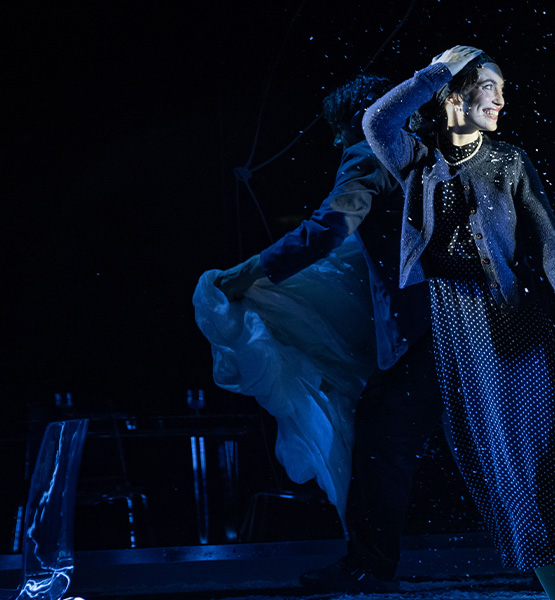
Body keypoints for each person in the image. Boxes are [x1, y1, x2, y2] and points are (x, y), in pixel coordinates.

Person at [361, 46, 555, 600]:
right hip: (456, 334)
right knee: (503, 470)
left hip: (514, 328)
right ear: (454, 94)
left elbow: (552, 250)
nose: (500, 100)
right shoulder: (417, 158)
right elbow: (377, 120)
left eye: (502, 89)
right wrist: (436, 71)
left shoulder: (508, 162)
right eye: (489, 86)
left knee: (548, 463)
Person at [204, 73, 443, 593]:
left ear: (360, 119)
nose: (336, 141)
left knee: (381, 446)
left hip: (426, 333)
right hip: (471, 328)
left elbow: (330, 227)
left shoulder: (371, 150)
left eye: (337, 128)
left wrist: (251, 272)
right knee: (493, 443)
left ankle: (368, 567)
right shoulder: (437, 153)